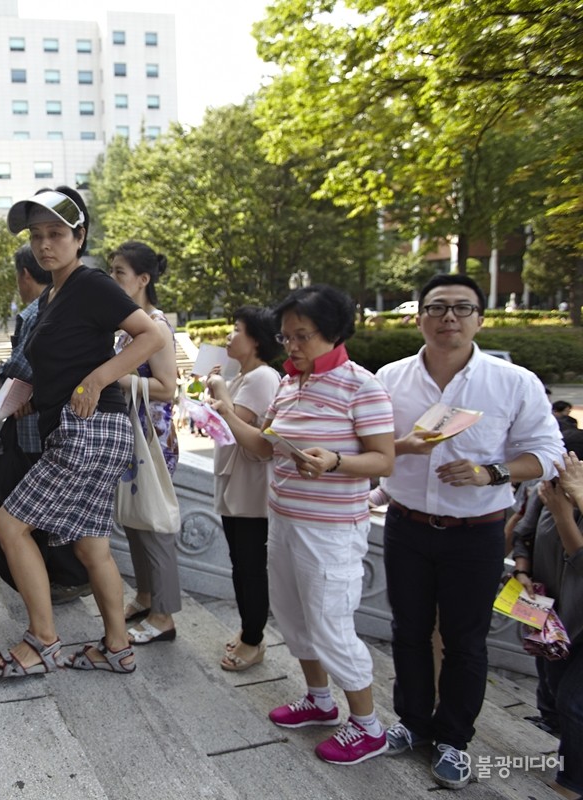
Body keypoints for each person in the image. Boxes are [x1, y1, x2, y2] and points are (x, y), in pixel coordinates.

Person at [375, 274, 563, 789]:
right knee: (408, 632)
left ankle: (454, 739)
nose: (448, 318)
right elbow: (368, 443)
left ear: (480, 318)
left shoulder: (512, 382)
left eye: (462, 308)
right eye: (437, 308)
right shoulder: (390, 378)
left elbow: (547, 454)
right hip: (406, 525)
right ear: (419, 317)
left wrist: (492, 472)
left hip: (476, 532)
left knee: (465, 640)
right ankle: (413, 723)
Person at [0, 187, 164, 678]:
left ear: (80, 236)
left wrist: (98, 377)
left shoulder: (89, 283)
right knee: (90, 545)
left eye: (57, 234)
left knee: (8, 525)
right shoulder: (53, 295)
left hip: (88, 427)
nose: (45, 245)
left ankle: (42, 640)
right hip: (84, 426)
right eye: (37, 236)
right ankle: (118, 646)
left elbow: (154, 335)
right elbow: (60, 363)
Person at [212, 284, 395, 766]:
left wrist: (335, 461)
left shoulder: (362, 385)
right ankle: (319, 700)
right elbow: (263, 447)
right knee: (292, 616)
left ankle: (368, 726)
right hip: (285, 519)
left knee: (331, 624)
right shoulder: (291, 384)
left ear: (333, 333)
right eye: (286, 335)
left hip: (332, 529)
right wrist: (228, 411)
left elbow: (385, 458)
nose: (290, 346)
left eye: (302, 336)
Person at [0, 245, 91, 602]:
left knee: (21, 516)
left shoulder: (36, 311)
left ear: (25, 273)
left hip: (36, 433)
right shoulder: (62, 305)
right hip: (58, 426)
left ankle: (54, 587)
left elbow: (25, 368)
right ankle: (61, 581)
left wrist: (3, 376)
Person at [107, 242, 181, 645]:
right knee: (137, 520)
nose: (114, 279)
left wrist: (116, 378)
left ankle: (164, 615)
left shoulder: (156, 326)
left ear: (143, 280)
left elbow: (167, 388)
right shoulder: (130, 326)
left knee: (155, 524)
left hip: (154, 441)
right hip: (134, 438)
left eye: (120, 272)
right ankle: (146, 597)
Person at [204, 306, 282, 671]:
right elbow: (223, 423)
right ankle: (249, 629)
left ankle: (254, 639)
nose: (229, 336)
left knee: (250, 567)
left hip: (252, 491)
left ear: (255, 340)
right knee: (241, 564)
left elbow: (243, 429)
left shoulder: (263, 378)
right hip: (236, 486)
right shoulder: (242, 376)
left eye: (237, 330)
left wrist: (219, 391)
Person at [512, 438, 583, 800]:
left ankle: (570, 784)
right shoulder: (544, 494)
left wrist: (564, 512)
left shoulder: (563, 504)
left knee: (574, 701)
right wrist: (523, 573)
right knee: (555, 693)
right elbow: (522, 538)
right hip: (550, 616)